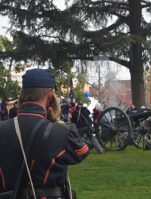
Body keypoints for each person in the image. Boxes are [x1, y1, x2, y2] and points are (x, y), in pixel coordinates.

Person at [0, 69, 89, 198]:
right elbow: (82, 152)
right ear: (51, 95)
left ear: (22, 94)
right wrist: (57, 119)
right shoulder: (62, 132)